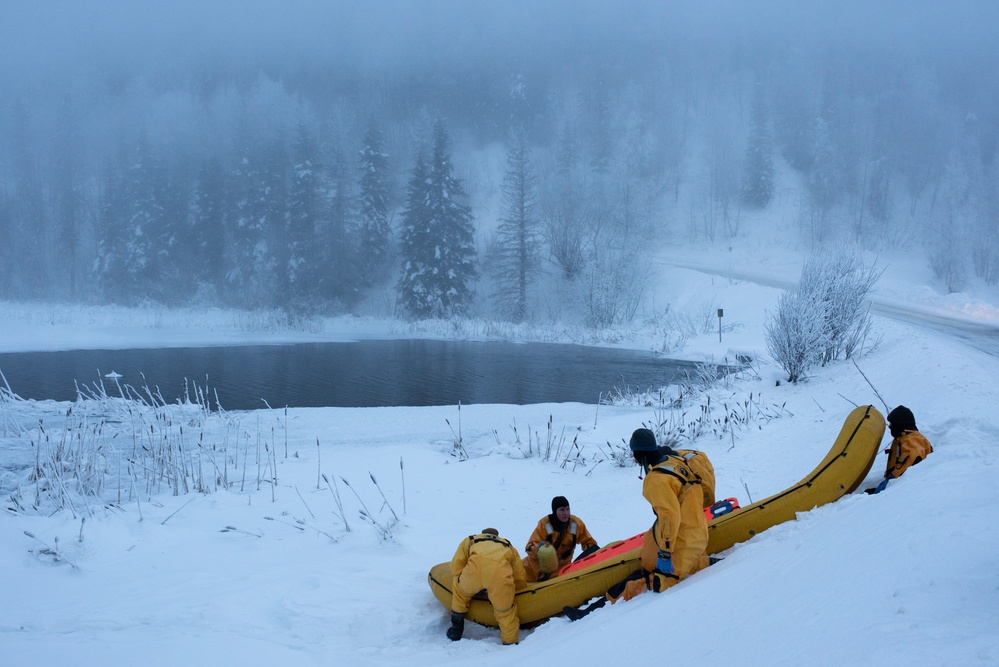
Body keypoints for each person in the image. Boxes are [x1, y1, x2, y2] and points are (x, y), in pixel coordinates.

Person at [563, 428, 709, 621]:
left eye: (634, 455)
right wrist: (708, 504)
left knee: (646, 579)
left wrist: (665, 552)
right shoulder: (677, 460)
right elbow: (702, 462)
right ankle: (705, 561)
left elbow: (669, 515)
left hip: (680, 543)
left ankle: (592, 611)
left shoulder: (656, 479)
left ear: (638, 454)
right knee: (668, 559)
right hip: (697, 533)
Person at [447, 527, 527, 645]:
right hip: (500, 576)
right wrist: (519, 587)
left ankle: (456, 630)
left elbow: (456, 566)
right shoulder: (507, 544)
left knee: (460, 592)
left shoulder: (471, 540)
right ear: (497, 536)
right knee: (505, 612)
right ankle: (510, 642)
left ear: (483, 534)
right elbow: (518, 572)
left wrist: (460, 576)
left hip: (474, 573)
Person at [522, 495, 599, 582]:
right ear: (555, 511)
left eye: (567, 509)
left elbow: (588, 542)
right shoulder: (545, 525)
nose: (566, 513)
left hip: (561, 572)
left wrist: (594, 557)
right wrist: (540, 549)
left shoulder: (576, 524)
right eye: (562, 510)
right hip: (532, 571)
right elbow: (529, 547)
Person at [866, 405, 934, 494]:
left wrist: (884, 487)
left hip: (909, 490)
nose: (890, 427)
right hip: (902, 486)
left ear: (900, 424)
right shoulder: (903, 437)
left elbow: (905, 470)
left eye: (892, 423)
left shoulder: (911, 440)